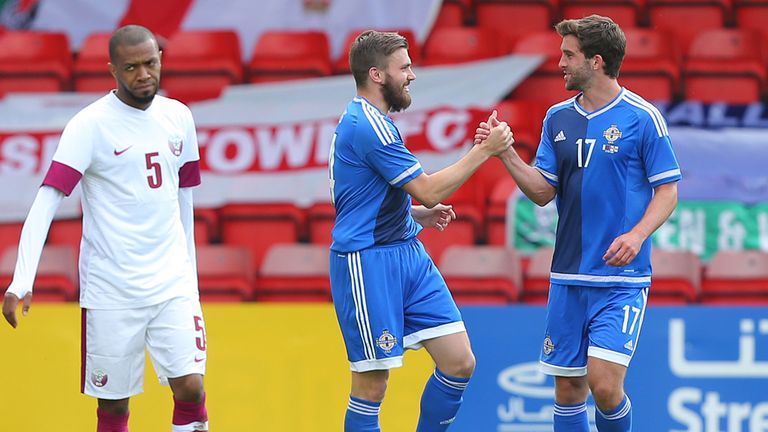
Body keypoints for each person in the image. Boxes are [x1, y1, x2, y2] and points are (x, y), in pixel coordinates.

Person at [476, 15, 680, 432]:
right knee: (568, 390)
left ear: (596, 61)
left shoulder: (642, 117)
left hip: (620, 280)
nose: (560, 63)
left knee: (604, 386)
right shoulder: (557, 118)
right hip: (567, 277)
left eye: (569, 55)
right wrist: (507, 153)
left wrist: (637, 235)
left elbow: (668, 191)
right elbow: (542, 191)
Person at [2, 25, 209, 432]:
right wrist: (22, 279)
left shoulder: (179, 117)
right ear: (112, 70)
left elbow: (183, 201)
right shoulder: (90, 125)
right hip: (112, 290)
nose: (143, 74)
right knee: (114, 407)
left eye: (149, 63)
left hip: (172, 285)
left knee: (191, 388)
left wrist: (191, 279)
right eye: (131, 67)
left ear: (161, 59)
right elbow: (47, 199)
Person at [329, 30, 513, 432]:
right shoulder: (366, 125)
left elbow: (362, 194)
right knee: (372, 384)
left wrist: (411, 215)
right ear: (377, 74)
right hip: (368, 262)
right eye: (405, 67)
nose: (412, 75)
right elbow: (429, 189)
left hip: (407, 252)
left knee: (459, 361)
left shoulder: (372, 122)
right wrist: (485, 150)